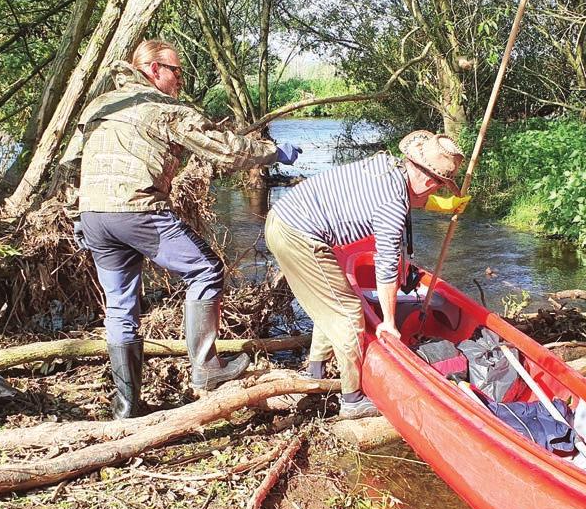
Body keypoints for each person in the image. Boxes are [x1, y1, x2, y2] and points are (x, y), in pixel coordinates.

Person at [56, 39, 301, 419]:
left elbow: (70, 165)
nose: (180, 80)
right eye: (176, 71)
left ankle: (127, 407)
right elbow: (223, 148)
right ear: (153, 69)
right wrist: (272, 151)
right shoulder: (161, 108)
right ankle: (205, 369)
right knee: (206, 270)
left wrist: (76, 217)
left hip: (94, 217)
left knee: (121, 307)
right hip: (136, 210)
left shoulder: (99, 106)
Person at [265, 130, 464, 419]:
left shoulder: (389, 166)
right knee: (348, 311)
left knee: (329, 302)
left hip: (284, 221)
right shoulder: (393, 205)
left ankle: (316, 374)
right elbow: (386, 267)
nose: (437, 193)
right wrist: (389, 323)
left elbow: (413, 198)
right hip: (298, 235)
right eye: (438, 189)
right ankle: (352, 400)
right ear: (428, 178)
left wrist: (441, 206)